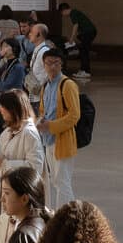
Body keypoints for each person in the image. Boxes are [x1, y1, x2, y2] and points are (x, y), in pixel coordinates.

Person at [35, 51, 82, 211]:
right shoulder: (46, 86)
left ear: (61, 64)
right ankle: (67, 214)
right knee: (56, 181)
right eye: (49, 63)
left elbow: (74, 115)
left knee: (62, 182)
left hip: (63, 141)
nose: (52, 66)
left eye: (56, 62)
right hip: (48, 140)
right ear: (44, 65)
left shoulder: (67, 85)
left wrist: (51, 126)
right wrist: (41, 122)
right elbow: (43, 110)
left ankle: (65, 215)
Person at [57, 1, 96, 76]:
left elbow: (75, 26)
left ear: (64, 10)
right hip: (89, 32)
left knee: (84, 52)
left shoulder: (73, 13)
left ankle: (86, 71)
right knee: (83, 51)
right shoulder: (75, 12)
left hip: (88, 32)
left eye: (61, 13)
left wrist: (72, 38)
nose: (63, 15)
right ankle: (83, 70)